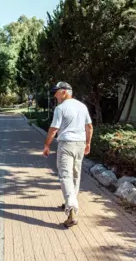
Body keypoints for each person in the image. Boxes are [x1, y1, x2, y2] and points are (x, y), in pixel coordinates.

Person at [43, 81, 93, 228]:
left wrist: (47, 145)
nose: (55, 95)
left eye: (56, 92)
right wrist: (88, 143)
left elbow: (53, 129)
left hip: (66, 145)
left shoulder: (61, 108)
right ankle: (70, 201)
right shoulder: (82, 106)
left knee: (65, 175)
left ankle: (71, 210)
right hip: (80, 144)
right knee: (76, 175)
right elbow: (89, 127)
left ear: (64, 91)